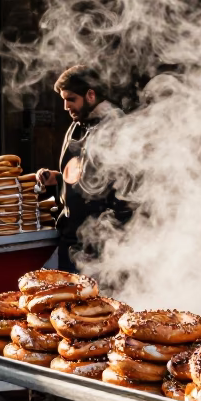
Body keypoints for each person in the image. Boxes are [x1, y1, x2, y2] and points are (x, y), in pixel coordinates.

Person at [37, 65, 130, 272]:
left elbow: (123, 190)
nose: (65, 106)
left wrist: (111, 240)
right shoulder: (76, 126)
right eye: (63, 100)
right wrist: (58, 179)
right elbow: (86, 178)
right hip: (72, 238)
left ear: (90, 95)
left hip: (101, 245)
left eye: (71, 99)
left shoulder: (118, 128)